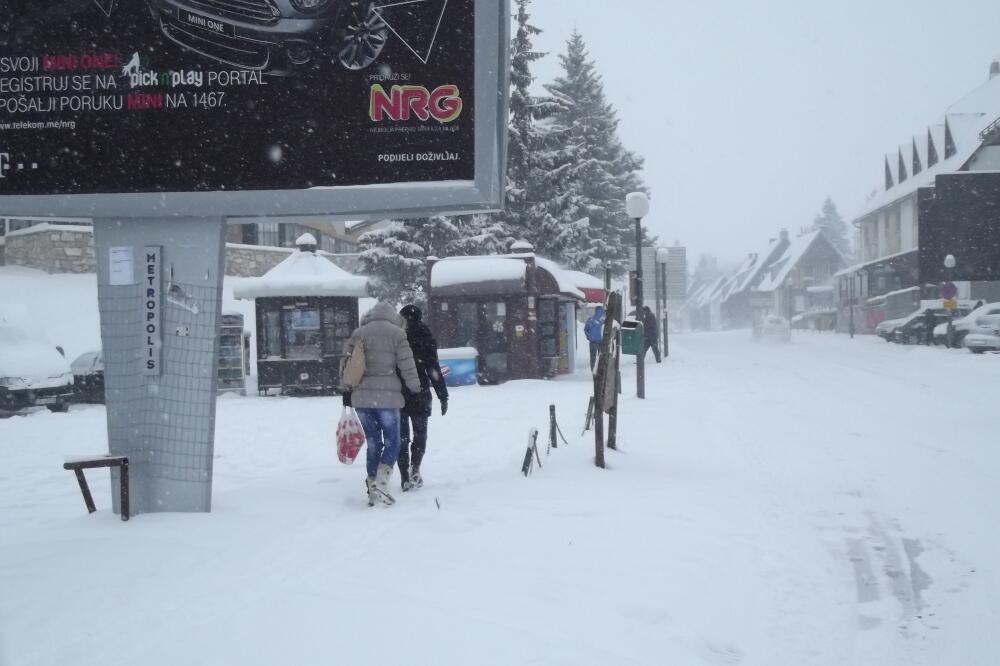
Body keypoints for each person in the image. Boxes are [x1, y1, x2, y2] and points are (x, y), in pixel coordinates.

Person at [343, 302, 422, 507]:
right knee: (393, 441)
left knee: (373, 442)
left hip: (362, 398)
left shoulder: (359, 333)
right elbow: (407, 364)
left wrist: (345, 389)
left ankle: (371, 485)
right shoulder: (397, 334)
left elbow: (346, 363)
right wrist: (415, 387)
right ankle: (382, 481)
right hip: (388, 398)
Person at [397, 304, 449, 491]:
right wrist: (443, 396)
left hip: (398, 393)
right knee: (420, 434)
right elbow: (433, 369)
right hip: (420, 392)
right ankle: (415, 467)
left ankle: (404, 474)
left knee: (401, 437)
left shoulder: (396, 337)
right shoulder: (426, 337)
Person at [584, 305, 606, 370]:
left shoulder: (591, 319)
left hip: (593, 341)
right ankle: (600, 369)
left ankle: (593, 369)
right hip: (601, 342)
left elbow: (586, 329)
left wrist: (589, 337)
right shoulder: (604, 321)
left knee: (593, 357)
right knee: (601, 357)